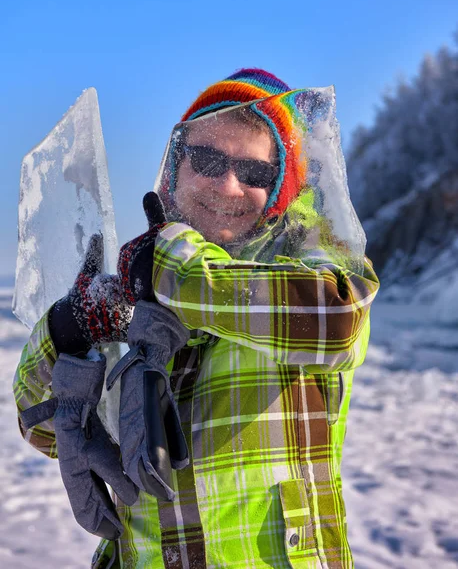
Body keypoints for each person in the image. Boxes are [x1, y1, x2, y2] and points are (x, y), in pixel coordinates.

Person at [14, 68, 379, 568]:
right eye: (206, 159)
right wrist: (69, 327)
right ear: (175, 170)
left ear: (279, 195)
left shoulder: (311, 275)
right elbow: (38, 424)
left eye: (255, 173)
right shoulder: (138, 284)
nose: (228, 185)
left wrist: (168, 266)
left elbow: (340, 323)